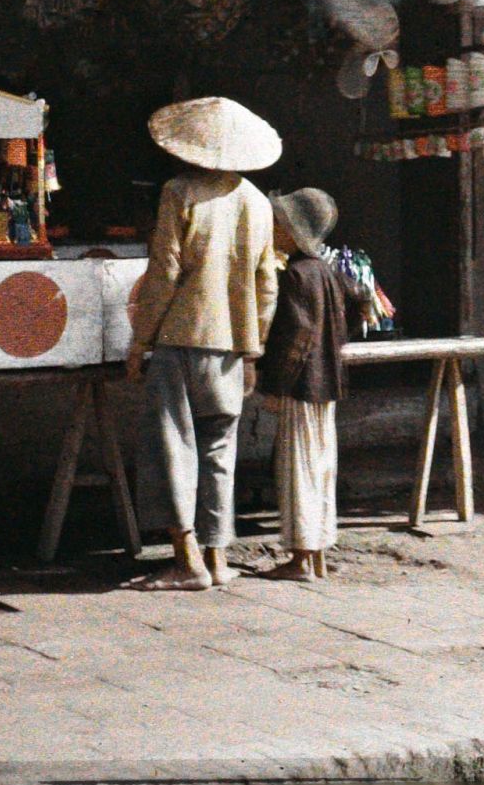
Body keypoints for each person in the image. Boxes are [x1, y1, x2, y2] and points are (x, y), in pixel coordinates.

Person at [128, 97, 283, 591]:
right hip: (231, 346)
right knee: (219, 449)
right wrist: (253, 349)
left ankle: (187, 559)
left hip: (180, 339)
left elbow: (163, 273)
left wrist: (140, 340)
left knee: (174, 445)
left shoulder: (179, 193)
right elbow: (267, 285)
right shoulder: (257, 203)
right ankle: (217, 558)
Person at [256, 188, 351, 581]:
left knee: (298, 471)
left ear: (294, 231)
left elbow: (298, 335)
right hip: (324, 385)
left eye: (279, 224)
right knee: (320, 468)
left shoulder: (296, 274)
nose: (274, 230)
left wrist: (276, 385)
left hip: (301, 386)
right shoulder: (324, 271)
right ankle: (317, 555)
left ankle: (300, 560)